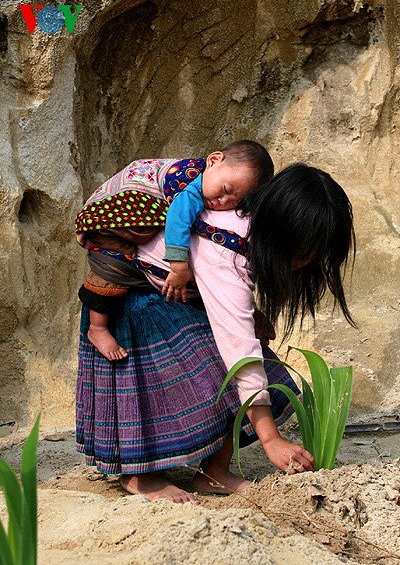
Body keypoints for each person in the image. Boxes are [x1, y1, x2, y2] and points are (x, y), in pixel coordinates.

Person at [76, 162, 356, 504]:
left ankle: (213, 472)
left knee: (256, 370)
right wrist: (272, 440)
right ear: (282, 234)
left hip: (179, 295)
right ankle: (140, 476)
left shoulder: (248, 222)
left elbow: (232, 304)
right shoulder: (225, 251)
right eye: (303, 254)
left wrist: (253, 314)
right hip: (134, 299)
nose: (306, 264)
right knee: (203, 375)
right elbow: (238, 348)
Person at [75, 140, 274, 360]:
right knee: (112, 266)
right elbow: (178, 220)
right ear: (214, 160)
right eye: (225, 190)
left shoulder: (206, 181)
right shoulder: (188, 187)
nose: (221, 201)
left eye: (232, 202)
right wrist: (179, 267)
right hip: (110, 221)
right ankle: (98, 328)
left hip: (134, 220)